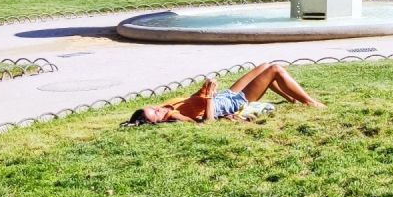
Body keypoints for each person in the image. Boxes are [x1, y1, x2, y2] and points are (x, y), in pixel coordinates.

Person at [122, 64, 324, 125]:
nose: (158, 109)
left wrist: (204, 89)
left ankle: (292, 98)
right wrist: (209, 96)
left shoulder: (166, 106)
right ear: (157, 122)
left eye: (153, 108)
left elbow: (192, 99)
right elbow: (207, 121)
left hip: (224, 95)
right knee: (275, 70)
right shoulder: (175, 118)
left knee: (264, 66)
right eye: (155, 114)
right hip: (231, 103)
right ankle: (310, 102)